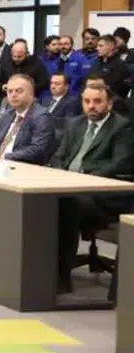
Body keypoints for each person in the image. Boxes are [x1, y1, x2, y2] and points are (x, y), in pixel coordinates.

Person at [50, 81, 134, 291]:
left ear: (109, 104)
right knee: (40, 203)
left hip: (103, 195)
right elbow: (59, 156)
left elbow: (119, 164)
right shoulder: (74, 124)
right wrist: (61, 175)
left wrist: (83, 179)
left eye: (97, 101)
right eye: (87, 101)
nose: (91, 106)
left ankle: (61, 277)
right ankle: (41, 268)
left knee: (67, 205)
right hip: (66, 187)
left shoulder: (122, 127)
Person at [0, 74, 54, 165]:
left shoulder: (41, 116)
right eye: (10, 91)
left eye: (19, 91)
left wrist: (3, 157)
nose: (13, 95)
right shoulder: (7, 114)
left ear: (31, 93)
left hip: (20, 166)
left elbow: (37, 150)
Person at [87, 34, 129, 99]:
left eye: (101, 46)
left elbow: (113, 89)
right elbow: (87, 80)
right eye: (97, 46)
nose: (97, 48)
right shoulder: (96, 62)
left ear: (111, 47)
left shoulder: (119, 65)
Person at [67, 31, 97, 95]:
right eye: (87, 39)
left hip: (93, 91)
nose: (90, 41)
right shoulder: (76, 54)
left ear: (97, 39)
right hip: (75, 92)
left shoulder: (100, 56)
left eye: (93, 38)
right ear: (83, 40)